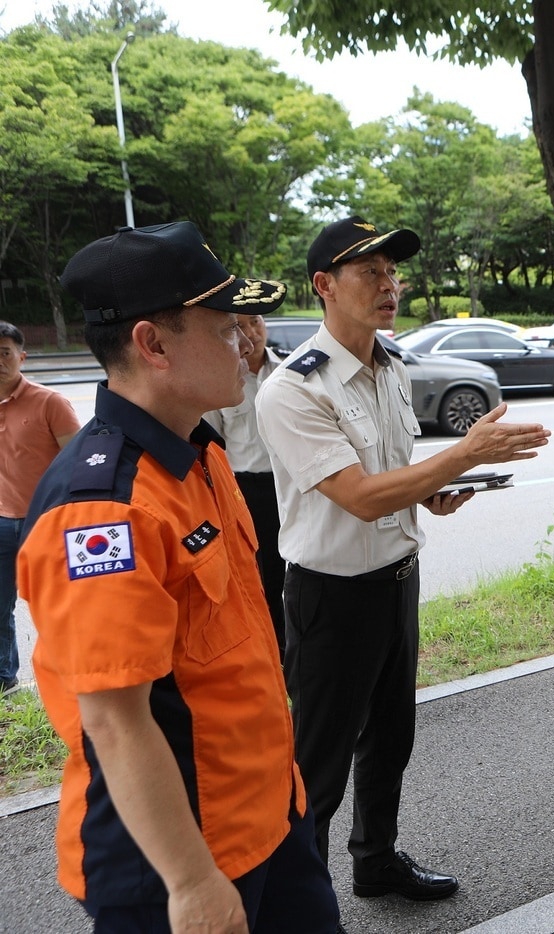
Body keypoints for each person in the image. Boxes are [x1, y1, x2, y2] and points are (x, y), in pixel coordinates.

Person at [18, 222, 340, 933]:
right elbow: (112, 718)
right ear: (153, 345)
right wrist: (191, 880)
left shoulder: (199, 454)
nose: (245, 339)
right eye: (224, 325)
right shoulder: (103, 510)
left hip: (268, 815)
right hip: (176, 861)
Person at [256, 215, 550, 900]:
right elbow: (357, 497)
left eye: (392, 272)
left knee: (390, 739)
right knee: (318, 765)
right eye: (371, 272)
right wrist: (463, 453)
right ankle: (297, 902)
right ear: (324, 285)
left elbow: (390, 474)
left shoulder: (388, 367)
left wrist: (433, 490)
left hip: (396, 582)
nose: (389, 285)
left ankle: (376, 861)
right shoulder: (296, 388)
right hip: (332, 596)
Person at [0, 320, 80, 696]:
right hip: (2, 521)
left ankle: (69, 677)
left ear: (22, 357)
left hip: (47, 521)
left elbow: (78, 462)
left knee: (55, 605)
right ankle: (6, 680)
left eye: (5, 353)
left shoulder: (50, 402)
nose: (0, 361)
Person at [202, 314, 287, 655]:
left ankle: (297, 644)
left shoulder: (289, 371)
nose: (252, 334)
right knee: (263, 575)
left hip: (291, 483)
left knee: (299, 568)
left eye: (257, 323)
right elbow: (213, 444)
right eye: (241, 326)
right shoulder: (223, 379)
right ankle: (275, 648)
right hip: (248, 488)